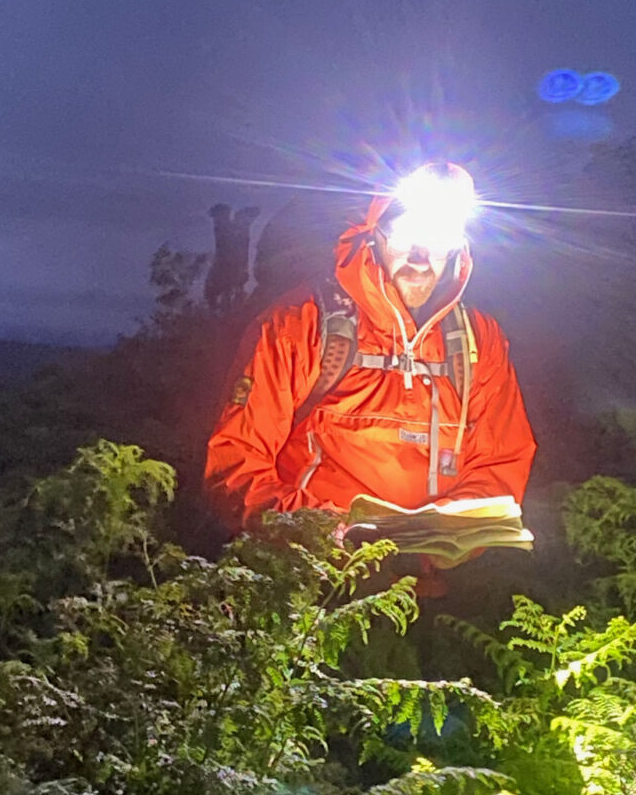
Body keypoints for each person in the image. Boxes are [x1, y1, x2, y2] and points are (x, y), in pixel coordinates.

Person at [204, 162, 536, 534]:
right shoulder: (298, 324)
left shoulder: (479, 340)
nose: (420, 257)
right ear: (373, 236)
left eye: (440, 236)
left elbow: (500, 465)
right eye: (406, 234)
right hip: (310, 581)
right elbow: (236, 464)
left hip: (425, 584)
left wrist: (437, 541)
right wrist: (337, 534)